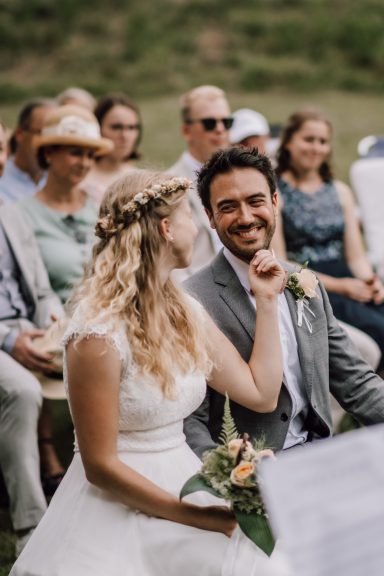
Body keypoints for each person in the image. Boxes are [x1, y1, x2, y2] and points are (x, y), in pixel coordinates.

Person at [11, 170, 290, 576]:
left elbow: (261, 393)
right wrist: (196, 518)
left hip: (183, 476)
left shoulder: (184, 310)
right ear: (166, 228)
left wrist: (266, 301)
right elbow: (99, 465)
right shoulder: (97, 333)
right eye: (189, 216)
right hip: (118, 501)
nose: (196, 228)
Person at [183, 147, 384, 459]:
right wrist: (227, 481)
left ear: (275, 202)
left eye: (255, 201)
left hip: (320, 455)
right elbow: (191, 420)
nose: (246, 217)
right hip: (247, 479)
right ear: (209, 216)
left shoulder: (306, 281)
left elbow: (356, 382)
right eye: (228, 207)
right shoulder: (192, 301)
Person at [272, 108, 384, 369]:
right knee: (379, 331)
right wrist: (342, 287)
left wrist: (370, 282)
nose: (316, 148)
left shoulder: (340, 191)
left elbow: (356, 256)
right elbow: (282, 263)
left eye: (322, 141)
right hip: (308, 285)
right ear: (289, 142)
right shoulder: (276, 193)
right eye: (308, 139)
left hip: (349, 278)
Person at [0, 199, 64, 557]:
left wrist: (54, 328)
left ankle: (96, 501)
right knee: (22, 390)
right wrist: (9, 341)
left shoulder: (10, 211)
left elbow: (41, 291)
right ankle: (31, 526)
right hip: (3, 336)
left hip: (29, 328)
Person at [19, 104, 113, 303]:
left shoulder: (101, 206)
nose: (85, 163)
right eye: (76, 153)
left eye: (91, 155)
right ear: (48, 153)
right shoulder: (21, 215)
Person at [168, 85, 233, 280]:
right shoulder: (168, 186)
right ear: (187, 131)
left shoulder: (241, 178)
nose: (220, 129)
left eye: (226, 122)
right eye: (209, 123)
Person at [82, 92, 142, 204]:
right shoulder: (80, 179)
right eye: (116, 127)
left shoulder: (142, 180)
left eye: (131, 127)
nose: (125, 136)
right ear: (97, 128)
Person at [0, 99, 56, 202]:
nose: (50, 143)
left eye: (56, 137)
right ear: (20, 134)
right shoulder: (2, 176)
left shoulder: (60, 182)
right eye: (43, 133)